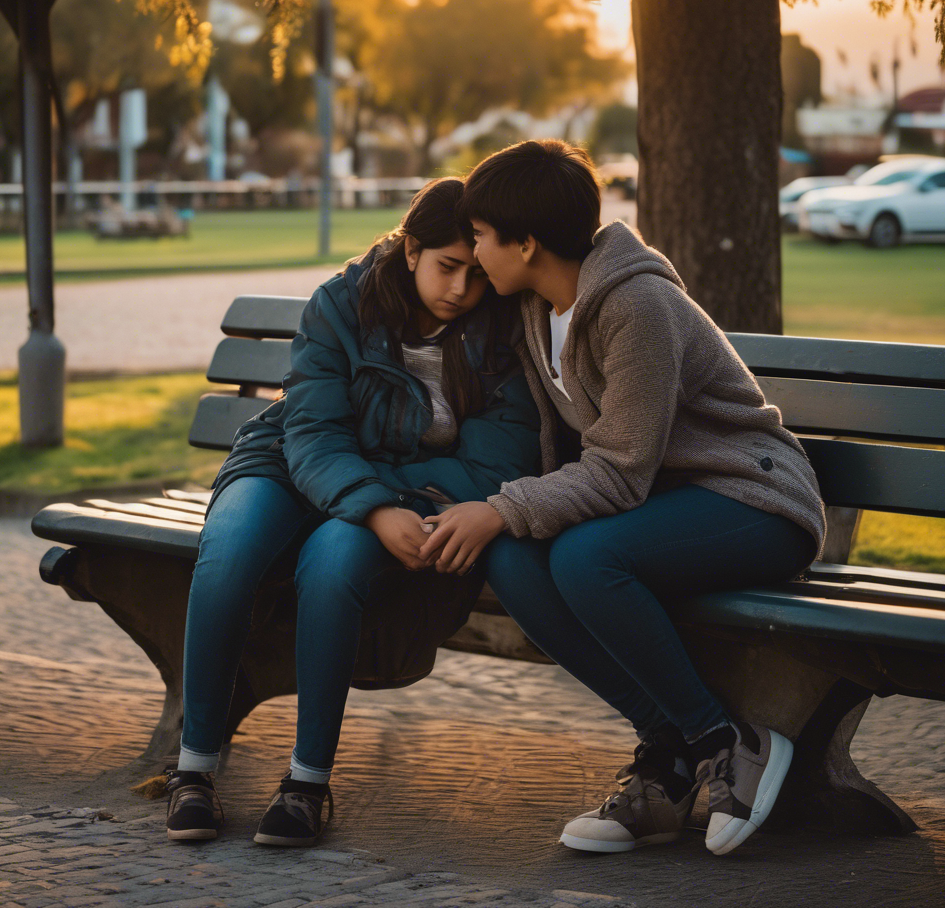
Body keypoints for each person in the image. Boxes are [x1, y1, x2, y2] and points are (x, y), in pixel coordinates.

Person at [419, 140, 827, 857]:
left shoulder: (637, 305)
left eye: (481, 237)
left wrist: (501, 505)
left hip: (753, 501)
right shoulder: (536, 306)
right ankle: (667, 750)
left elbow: (620, 471)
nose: (475, 253)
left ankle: (727, 740)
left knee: (584, 558)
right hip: (663, 511)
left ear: (527, 241)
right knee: (512, 557)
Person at [165, 177, 541, 846]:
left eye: (474, 273)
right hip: (288, 465)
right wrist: (372, 505)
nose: (461, 288)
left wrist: (381, 499)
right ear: (410, 251)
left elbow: (498, 460)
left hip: (399, 490)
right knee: (225, 556)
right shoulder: (342, 304)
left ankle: (306, 785)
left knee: (331, 566)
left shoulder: (498, 330)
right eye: (446, 267)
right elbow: (311, 431)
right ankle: (192, 772)